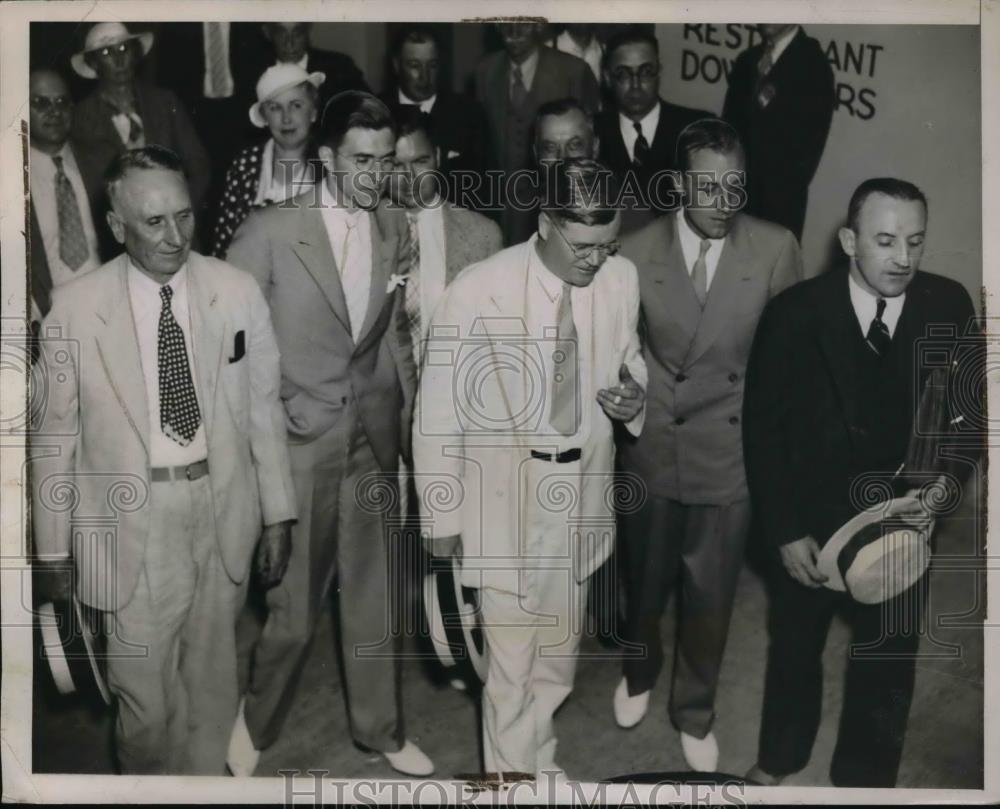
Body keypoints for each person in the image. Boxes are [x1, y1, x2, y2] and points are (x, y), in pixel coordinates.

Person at [30, 145, 296, 775]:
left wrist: (279, 513)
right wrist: (52, 554)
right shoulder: (73, 310)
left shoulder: (234, 291)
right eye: (154, 222)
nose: (175, 237)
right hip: (126, 524)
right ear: (117, 226)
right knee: (146, 709)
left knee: (212, 691)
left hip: (220, 509)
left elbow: (264, 411)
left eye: (183, 216)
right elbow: (53, 441)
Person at [742, 178, 981, 787]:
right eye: (884, 240)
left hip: (905, 519)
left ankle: (867, 783)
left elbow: (969, 418)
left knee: (890, 660)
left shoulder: (949, 305)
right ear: (849, 240)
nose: (902, 258)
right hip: (813, 521)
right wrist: (785, 529)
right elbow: (763, 431)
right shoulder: (794, 313)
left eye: (915, 241)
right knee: (794, 649)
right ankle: (780, 759)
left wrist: (941, 493)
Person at [413, 158, 647, 778]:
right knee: (509, 668)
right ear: (545, 222)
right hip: (501, 501)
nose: (598, 260)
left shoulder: (621, 279)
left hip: (581, 496)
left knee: (555, 659)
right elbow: (435, 414)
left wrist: (634, 394)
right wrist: (441, 521)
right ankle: (512, 784)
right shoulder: (476, 290)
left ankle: (537, 763)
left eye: (608, 243)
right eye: (584, 246)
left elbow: (631, 358)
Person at [224, 92, 431, 778]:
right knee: (293, 613)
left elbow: (391, 331)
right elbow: (228, 350)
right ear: (324, 157)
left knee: (375, 598)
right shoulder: (269, 232)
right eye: (360, 160)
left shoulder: (396, 223)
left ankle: (382, 729)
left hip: (371, 435)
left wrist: (408, 431)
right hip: (301, 441)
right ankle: (256, 720)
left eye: (383, 159)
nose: (375, 175)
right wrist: (270, 428)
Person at [614, 119, 802, 772]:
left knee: (711, 593)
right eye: (708, 185)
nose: (724, 200)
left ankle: (694, 708)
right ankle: (638, 673)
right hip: (652, 444)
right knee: (642, 583)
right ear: (677, 185)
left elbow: (786, 365)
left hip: (730, 451)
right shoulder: (633, 249)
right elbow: (619, 345)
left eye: (735, 185)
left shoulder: (776, 247)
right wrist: (623, 390)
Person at [70, 23, 212, 229]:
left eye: (123, 49)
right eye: (106, 53)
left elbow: (199, 165)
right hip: (118, 236)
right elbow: (88, 188)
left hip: (175, 229)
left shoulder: (165, 103)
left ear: (135, 53)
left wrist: (180, 213)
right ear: (93, 63)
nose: (118, 59)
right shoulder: (79, 118)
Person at [475, 21, 600, 245]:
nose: (514, 31)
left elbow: (590, 139)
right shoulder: (485, 71)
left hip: (559, 203)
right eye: (506, 22)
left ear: (539, 25)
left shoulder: (574, 71)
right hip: (499, 206)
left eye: (523, 21)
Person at [723, 24, 835, 241]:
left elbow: (800, 164)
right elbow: (727, 133)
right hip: (731, 202)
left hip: (774, 215)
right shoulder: (748, 59)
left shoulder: (814, 68)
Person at [597, 27, 709, 235]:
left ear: (660, 71)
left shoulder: (696, 128)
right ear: (607, 77)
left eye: (646, 72)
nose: (636, 85)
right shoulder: (592, 133)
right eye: (623, 74)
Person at [212, 64, 325, 257]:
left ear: (313, 112)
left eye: (296, 105)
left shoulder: (329, 165)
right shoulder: (245, 164)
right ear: (264, 117)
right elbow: (224, 243)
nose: (286, 118)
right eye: (275, 108)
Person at [28, 67, 104, 320]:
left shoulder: (100, 164)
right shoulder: (11, 179)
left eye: (62, 102)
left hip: (108, 307)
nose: (54, 111)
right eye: (40, 102)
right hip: (47, 319)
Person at [382, 25, 487, 197]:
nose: (424, 76)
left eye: (432, 65)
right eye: (414, 65)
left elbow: (487, 189)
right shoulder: (376, 112)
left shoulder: (469, 114)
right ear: (396, 65)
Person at [255, 22, 369, 110]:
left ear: (307, 31)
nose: (289, 43)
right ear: (267, 33)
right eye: (281, 33)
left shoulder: (340, 66)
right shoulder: (253, 76)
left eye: (297, 33)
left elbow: (371, 107)